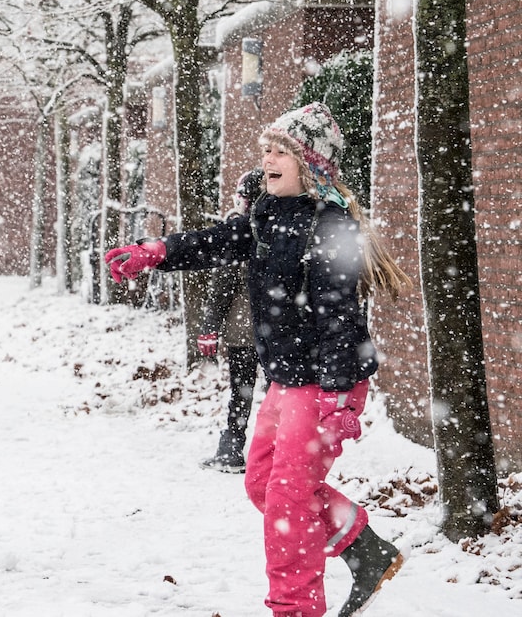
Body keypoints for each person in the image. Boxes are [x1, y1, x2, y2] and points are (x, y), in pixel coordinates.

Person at [105, 103, 410, 617]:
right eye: (265, 149)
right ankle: (361, 546)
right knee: (262, 483)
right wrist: (156, 252)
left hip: (324, 382)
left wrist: (338, 399)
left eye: (280, 151)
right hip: (288, 379)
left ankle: (294, 610)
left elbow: (339, 317)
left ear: (311, 163)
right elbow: (216, 242)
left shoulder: (330, 227)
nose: (267, 158)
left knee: (289, 502)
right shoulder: (266, 216)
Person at [197, 169, 262, 474]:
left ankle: (232, 449)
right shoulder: (282, 229)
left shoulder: (235, 233)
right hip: (277, 332)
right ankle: (274, 455)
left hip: (244, 332)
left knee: (241, 392)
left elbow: (221, 288)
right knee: (280, 398)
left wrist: (210, 326)